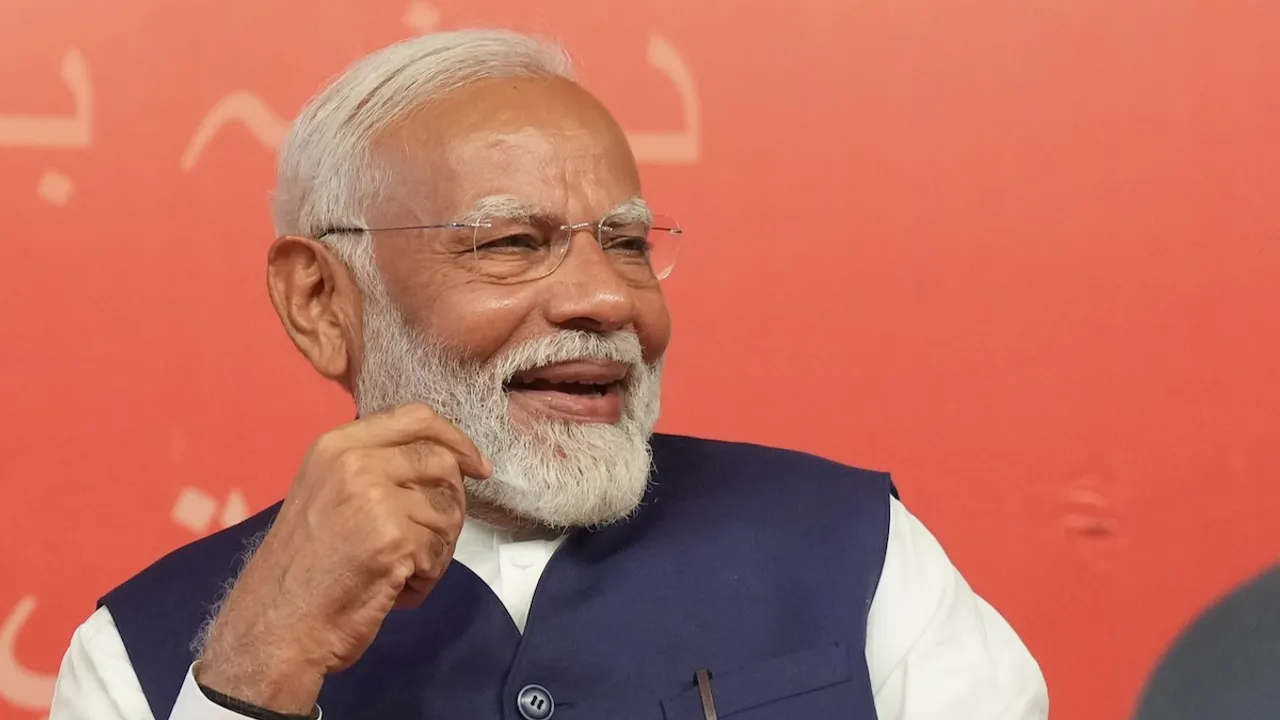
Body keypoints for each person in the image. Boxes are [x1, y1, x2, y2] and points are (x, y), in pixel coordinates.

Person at [49, 29, 1048, 720]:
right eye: (512, 242)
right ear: (321, 301)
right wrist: (258, 669)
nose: (606, 301)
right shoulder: (140, 656)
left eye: (622, 242)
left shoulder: (856, 551)